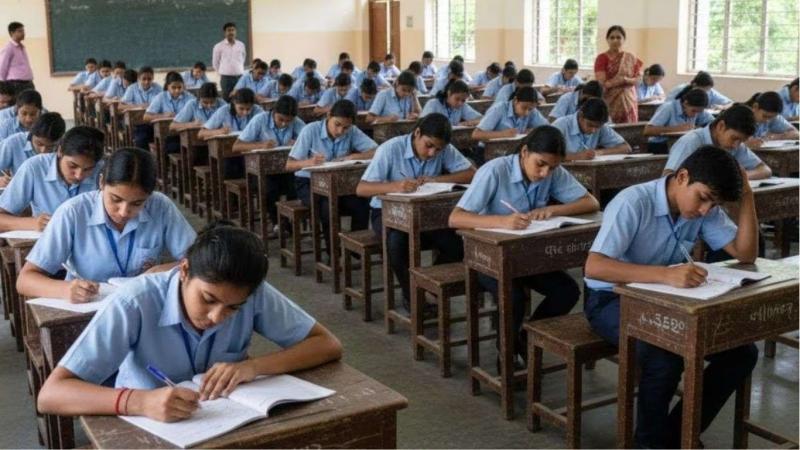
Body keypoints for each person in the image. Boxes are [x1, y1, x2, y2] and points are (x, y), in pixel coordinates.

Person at [37, 223, 342, 422]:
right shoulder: (135, 302)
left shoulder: (252, 292)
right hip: (150, 425)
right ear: (184, 271)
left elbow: (327, 344)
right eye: (208, 299)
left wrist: (253, 367)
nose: (216, 317)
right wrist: (140, 402)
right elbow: (51, 395)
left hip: (226, 422)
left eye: (233, 308)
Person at [584, 146, 759, 449]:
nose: (705, 210)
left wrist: (748, 196)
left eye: (714, 204)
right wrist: (665, 275)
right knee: (663, 356)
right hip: (609, 299)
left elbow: (745, 254)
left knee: (741, 353)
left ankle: (676, 436)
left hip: (663, 299)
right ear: (682, 176)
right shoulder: (633, 202)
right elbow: (594, 267)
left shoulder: (702, 209)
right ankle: (648, 444)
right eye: (703, 198)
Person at [449, 126, 599, 364]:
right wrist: (502, 221)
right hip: (487, 256)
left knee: (567, 292)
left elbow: (590, 203)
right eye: (540, 164)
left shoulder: (552, 171)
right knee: (514, 297)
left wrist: (553, 209)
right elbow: (456, 218)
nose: (545, 173)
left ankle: (525, 339)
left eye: (552, 167)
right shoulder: (494, 171)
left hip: (528, 255)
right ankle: (506, 354)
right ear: (525, 152)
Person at [17, 148, 197, 303]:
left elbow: (200, 260)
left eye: (137, 203)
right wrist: (65, 289)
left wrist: (161, 270)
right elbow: (25, 280)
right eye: (116, 199)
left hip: (143, 302)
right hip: (87, 308)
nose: (124, 212)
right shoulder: (73, 213)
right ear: (102, 182)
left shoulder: (160, 206)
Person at [356, 113, 475, 312]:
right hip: (387, 214)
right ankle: (412, 295)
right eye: (429, 146)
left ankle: (428, 288)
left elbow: (471, 173)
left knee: (456, 243)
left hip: (426, 215)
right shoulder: (390, 149)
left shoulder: (443, 148)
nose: (432, 153)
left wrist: (436, 180)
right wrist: (395, 186)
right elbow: (361, 189)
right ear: (417, 133)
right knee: (396, 244)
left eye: (438, 149)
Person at [287, 100, 376, 257]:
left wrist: (353, 156)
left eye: (346, 127)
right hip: (308, 183)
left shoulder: (352, 131)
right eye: (337, 124)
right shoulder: (310, 130)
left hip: (338, 183)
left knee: (361, 203)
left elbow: (376, 150)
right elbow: (289, 165)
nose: (341, 131)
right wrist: (308, 162)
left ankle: (354, 249)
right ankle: (335, 253)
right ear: (328, 116)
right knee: (327, 207)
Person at [0, 126, 104, 232]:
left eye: (88, 169)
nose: (79, 175)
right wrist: (33, 223)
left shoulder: (102, 171)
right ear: (60, 151)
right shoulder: (34, 168)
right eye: (72, 166)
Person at [233, 95, 305, 228]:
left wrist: (298, 143)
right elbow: (237, 146)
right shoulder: (260, 120)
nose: (284, 124)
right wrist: (260, 145)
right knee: (269, 189)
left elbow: (309, 142)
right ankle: (277, 221)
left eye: (288, 121)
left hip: (286, 168)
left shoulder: (296, 121)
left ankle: (290, 221)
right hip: (261, 170)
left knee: (296, 184)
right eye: (281, 119)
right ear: (273, 112)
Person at [664, 104, 772, 180]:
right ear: (721, 126)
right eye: (735, 138)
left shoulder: (735, 145)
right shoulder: (691, 141)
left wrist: (739, 178)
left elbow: (765, 170)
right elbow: (667, 178)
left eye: (741, 141)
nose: (736, 145)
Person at [472, 86, 549, 165]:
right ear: (515, 100)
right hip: (487, 153)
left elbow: (548, 128)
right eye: (524, 108)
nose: (527, 113)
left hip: (512, 152)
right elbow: (476, 134)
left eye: (530, 109)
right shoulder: (499, 109)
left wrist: (534, 131)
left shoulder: (531, 109)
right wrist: (502, 134)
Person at [551, 98, 631, 161]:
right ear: (581, 116)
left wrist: (598, 152)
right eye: (590, 125)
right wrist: (576, 156)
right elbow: (546, 154)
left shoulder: (600, 127)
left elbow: (626, 148)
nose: (593, 130)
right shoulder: (560, 125)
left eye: (597, 127)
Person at [0, 112, 64, 187]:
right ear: (31, 134)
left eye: (51, 147)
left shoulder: (64, 149)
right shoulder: (13, 143)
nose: (43, 151)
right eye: (39, 144)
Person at [594, 25, 643, 123]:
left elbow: (639, 80)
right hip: (610, 100)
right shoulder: (602, 58)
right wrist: (618, 82)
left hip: (629, 100)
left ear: (624, 39)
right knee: (610, 126)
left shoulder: (631, 57)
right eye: (612, 38)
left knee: (629, 127)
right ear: (607, 40)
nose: (615, 40)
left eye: (618, 37)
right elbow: (602, 83)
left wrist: (625, 80)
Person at [643, 88, 714, 154]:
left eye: (699, 112)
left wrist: (698, 128)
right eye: (693, 111)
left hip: (681, 144)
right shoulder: (668, 108)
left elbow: (713, 122)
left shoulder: (697, 110)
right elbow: (648, 130)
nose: (695, 115)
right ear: (685, 103)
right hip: (660, 145)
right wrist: (677, 129)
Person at [120, 66, 162, 149]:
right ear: (139, 79)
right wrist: (139, 106)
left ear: (153, 78)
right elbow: (121, 106)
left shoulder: (158, 88)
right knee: (141, 139)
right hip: (136, 124)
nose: (146, 82)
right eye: (144, 79)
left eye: (149, 79)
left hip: (153, 123)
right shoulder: (132, 88)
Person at [198, 88, 263, 140]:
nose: (245, 112)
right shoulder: (224, 110)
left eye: (248, 109)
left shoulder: (257, 110)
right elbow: (201, 133)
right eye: (241, 108)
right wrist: (219, 131)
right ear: (234, 103)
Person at [212, 22, 247, 100]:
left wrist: (237, 69)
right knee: (227, 100)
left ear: (236, 31)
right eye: (229, 30)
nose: (231, 32)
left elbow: (243, 58)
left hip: (240, 77)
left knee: (241, 99)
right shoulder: (218, 46)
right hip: (226, 79)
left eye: (233, 30)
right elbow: (215, 63)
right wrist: (223, 72)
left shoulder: (241, 45)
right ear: (225, 32)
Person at [0, 22, 35, 95]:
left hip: (28, 83)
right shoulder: (8, 48)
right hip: (16, 84)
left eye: (23, 31)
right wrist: (2, 89)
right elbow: (2, 67)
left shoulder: (22, 47)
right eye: (20, 31)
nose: (23, 33)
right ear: (12, 33)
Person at [666, 71, 732, 109]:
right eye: (703, 90)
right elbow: (666, 106)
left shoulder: (710, 92)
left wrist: (722, 107)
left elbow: (731, 103)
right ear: (695, 85)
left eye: (707, 90)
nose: (705, 93)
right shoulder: (679, 90)